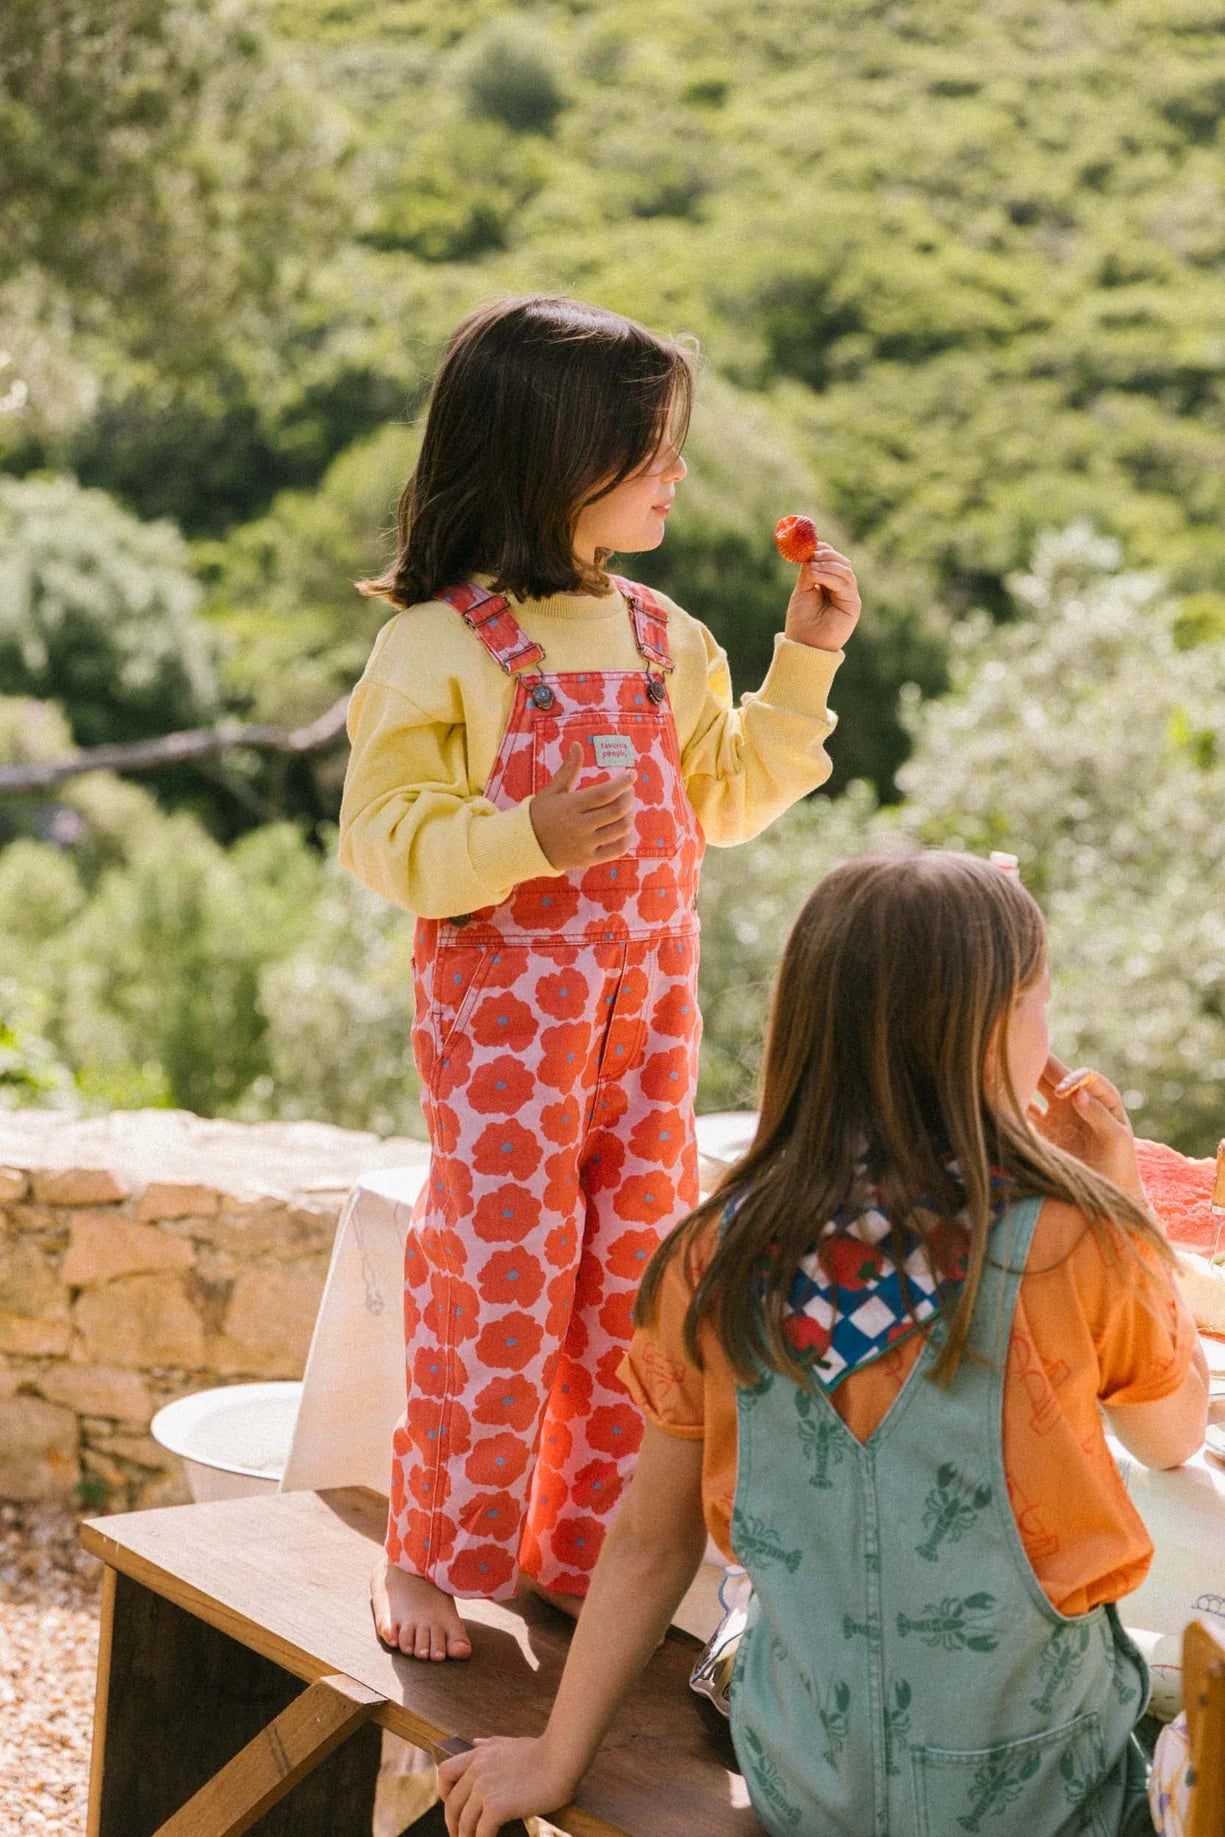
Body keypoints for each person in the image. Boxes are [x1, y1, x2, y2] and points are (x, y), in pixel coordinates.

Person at [437, 849, 1209, 1837]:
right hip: (1036, 1794)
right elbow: (1171, 1435)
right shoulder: (1070, 1240)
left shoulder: (712, 1257)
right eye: (1039, 1003)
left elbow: (648, 1541)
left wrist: (556, 1758)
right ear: (990, 1035)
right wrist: (1118, 1193)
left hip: (808, 1789)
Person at [338, 294, 861, 1662]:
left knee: (635, 1290)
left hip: (651, 1032)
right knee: (497, 1285)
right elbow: (383, 839)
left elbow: (727, 795)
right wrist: (526, 837)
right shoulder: (441, 646)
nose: (676, 472)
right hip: (508, 1036)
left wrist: (807, 656)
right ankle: (431, 1549)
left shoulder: (663, 635)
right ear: (556, 454)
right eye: (650, 448)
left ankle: (582, 1555)